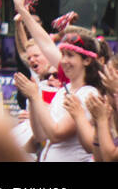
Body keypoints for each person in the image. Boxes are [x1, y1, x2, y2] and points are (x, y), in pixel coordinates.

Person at [15, 33, 104, 162]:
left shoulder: (89, 93)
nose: (64, 61)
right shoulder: (62, 91)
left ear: (87, 60)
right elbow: (41, 136)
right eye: (63, 55)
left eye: (70, 55)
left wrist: (36, 96)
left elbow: (56, 134)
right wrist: (32, 99)